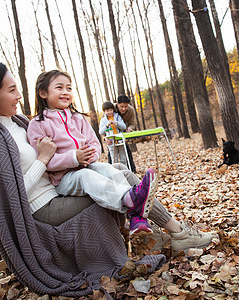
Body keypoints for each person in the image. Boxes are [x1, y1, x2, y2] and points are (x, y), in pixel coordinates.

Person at [0, 59, 216, 296]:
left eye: (17, 89)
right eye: (11, 91)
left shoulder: (18, 123)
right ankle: (176, 233)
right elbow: (11, 196)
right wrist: (42, 159)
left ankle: (176, 232)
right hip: (43, 207)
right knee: (119, 184)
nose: (19, 96)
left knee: (124, 172)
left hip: (60, 190)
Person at [27, 70, 153, 235]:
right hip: (64, 179)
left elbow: (94, 144)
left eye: (69, 88)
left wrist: (87, 157)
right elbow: (45, 161)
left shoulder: (78, 118)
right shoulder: (38, 124)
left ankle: (135, 215)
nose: (65, 92)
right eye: (59, 87)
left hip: (87, 165)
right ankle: (131, 201)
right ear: (43, 93)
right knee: (86, 176)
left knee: (108, 169)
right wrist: (74, 158)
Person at [108, 94, 137, 172]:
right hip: (112, 132)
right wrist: (106, 136)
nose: (124, 109)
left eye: (126, 106)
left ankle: (131, 170)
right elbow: (105, 123)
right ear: (117, 104)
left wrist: (130, 128)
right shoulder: (111, 108)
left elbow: (132, 123)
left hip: (123, 130)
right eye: (122, 106)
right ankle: (111, 172)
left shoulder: (131, 110)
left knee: (126, 149)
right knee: (111, 152)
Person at [99, 101, 129, 167]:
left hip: (120, 140)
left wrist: (117, 123)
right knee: (114, 160)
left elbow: (124, 127)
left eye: (111, 110)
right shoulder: (103, 120)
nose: (109, 112)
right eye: (107, 111)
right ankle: (117, 174)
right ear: (104, 111)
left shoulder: (117, 116)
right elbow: (101, 132)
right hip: (111, 143)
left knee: (123, 159)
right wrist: (106, 126)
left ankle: (125, 173)